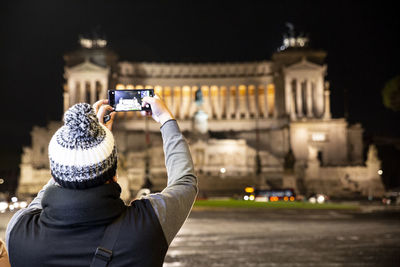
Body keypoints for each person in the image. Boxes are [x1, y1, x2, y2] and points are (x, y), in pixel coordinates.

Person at [6, 95, 198, 266]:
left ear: (55, 172)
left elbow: (57, 180)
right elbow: (185, 182)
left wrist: (83, 148)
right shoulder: (149, 225)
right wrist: (166, 119)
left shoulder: (18, 231)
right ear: (114, 174)